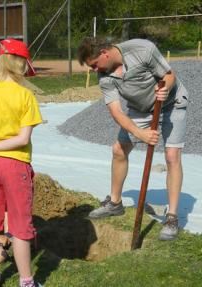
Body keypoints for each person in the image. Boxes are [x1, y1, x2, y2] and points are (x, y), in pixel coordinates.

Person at [77, 37, 189, 241]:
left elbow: (169, 75)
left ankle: (171, 217)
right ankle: (115, 203)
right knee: (119, 150)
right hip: (141, 110)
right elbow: (117, 112)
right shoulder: (104, 77)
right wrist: (140, 133)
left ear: (105, 53)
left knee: (172, 156)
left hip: (172, 103)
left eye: (93, 64)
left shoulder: (142, 49)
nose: (93, 69)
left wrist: (165, 89)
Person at [0, 38, 43, 287]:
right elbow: (23, 138)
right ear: (21, 65)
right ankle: (26, 281)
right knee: (20, 226)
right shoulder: (26, 96)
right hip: (15, 166)